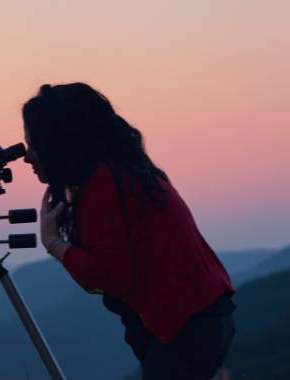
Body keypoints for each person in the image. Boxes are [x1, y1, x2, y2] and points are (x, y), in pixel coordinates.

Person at [21, 82, 236, 379]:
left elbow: (111, 276)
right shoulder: (125, 172)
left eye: (33, 145)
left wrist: (54, 243)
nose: (27, 157)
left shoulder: (102, 183)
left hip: (186, 326)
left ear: (58, 144)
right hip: (205, 317)